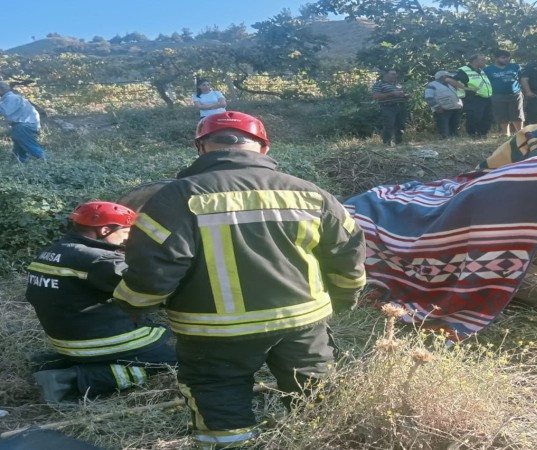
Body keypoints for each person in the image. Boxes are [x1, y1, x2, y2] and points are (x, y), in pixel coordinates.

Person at [112, 111, 367, 448]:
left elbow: (153, 271)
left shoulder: (176, 198)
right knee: (315, 392)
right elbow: (348, 253)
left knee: (220, 400)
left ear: (202, 148)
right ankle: (322, 442)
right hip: (303, 322)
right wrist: (343, 298)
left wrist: (131, 305)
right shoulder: (309, 193)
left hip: (215, 331)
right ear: (263, 147)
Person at [25, 201, 176, 403]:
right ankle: (67, 379)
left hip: (69, 337)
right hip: (97, 342)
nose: (129, 238)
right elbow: (148, 287)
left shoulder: (53, 252)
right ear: (105, 230)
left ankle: (58, 363)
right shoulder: (101, 260)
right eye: (126, 232)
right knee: (171, 363)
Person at [0, 81, 47, 163]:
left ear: (1, 89)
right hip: (23, 125)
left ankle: (49, 162)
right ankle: (20, 167)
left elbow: (4, 111)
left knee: (32, 148)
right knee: (18, 152)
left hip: (23, 126)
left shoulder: (11, 98)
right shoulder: (13, 97)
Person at [483, 50, 524, 136]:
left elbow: (522, 78)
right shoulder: (487, 70)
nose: (506, 60)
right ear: (496, 58)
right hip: (497, 95)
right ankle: (506, 134)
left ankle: (520, 133)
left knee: (517, 115)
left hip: (515, 94)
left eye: (508, 58)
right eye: (503, 58)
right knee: (501, 115)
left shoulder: (515, 67)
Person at [453, 54, 493, 138]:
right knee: (474, 117)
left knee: (486, 117)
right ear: (475, 61)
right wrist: (464, 88)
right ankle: (473, 134)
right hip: (474, 98)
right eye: (482, 60)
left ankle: (483, 134)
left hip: (486, 97)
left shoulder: (481, 71)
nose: (485, 62)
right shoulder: (464, 70)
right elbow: (450, 79)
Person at [372, 69, 408, 146]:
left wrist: (405, 95)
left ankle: (399, 142)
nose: (395, 76)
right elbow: (376, 96)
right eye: (393, 74)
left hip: (400, 106)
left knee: (401, 125)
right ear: (386, 75)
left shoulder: (397, 84)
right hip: (388, 107)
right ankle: (386, 143)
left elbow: (402, 93)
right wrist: (392, 94)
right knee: (389, 125)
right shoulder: (379, 84)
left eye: (395, 74)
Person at [423, 71, 464, 139]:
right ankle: (444, 140)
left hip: (455, 108)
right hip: (442, 110)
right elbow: (429, 97)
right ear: (442, 77)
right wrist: (437, 107)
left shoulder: (451, 84)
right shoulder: (432, 85)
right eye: (447, 76)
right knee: (444, 128)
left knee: (455, 128)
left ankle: (454, 140)